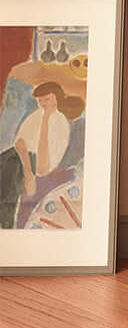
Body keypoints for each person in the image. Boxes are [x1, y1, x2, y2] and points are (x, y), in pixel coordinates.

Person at [13, 81, 85, 229]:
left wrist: (46, 120)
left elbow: (43, 168)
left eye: (47, 99)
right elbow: (19, 143)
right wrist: (28, 172)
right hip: (25, 166)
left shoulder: (60, 123)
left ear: (57, 99)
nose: (43, 104)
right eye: (40, 101)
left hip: (47, 176)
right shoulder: (35, 116)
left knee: (30, 215)